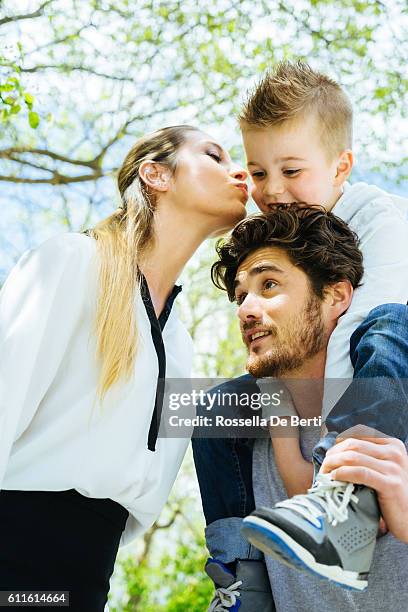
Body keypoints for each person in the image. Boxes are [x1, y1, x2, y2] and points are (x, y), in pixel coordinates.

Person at [0, 125, 249, 610]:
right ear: (155, 174)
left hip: (92, 574)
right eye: (214, 156)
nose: (238, 170)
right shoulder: (71, 262)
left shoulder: (181, 343)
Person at [193, 60, 408, 604]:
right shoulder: (284, 232)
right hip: (310, 390)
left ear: (341, 169)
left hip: (379, 351)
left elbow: (357, 326)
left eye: (292, 171)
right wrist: (286, 424)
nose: (273, 190)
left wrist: (326, 457)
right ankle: (238, 576)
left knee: (388, 327)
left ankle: (347, 493)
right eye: (259, 173)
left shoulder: (381, 221)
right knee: (211, 410)